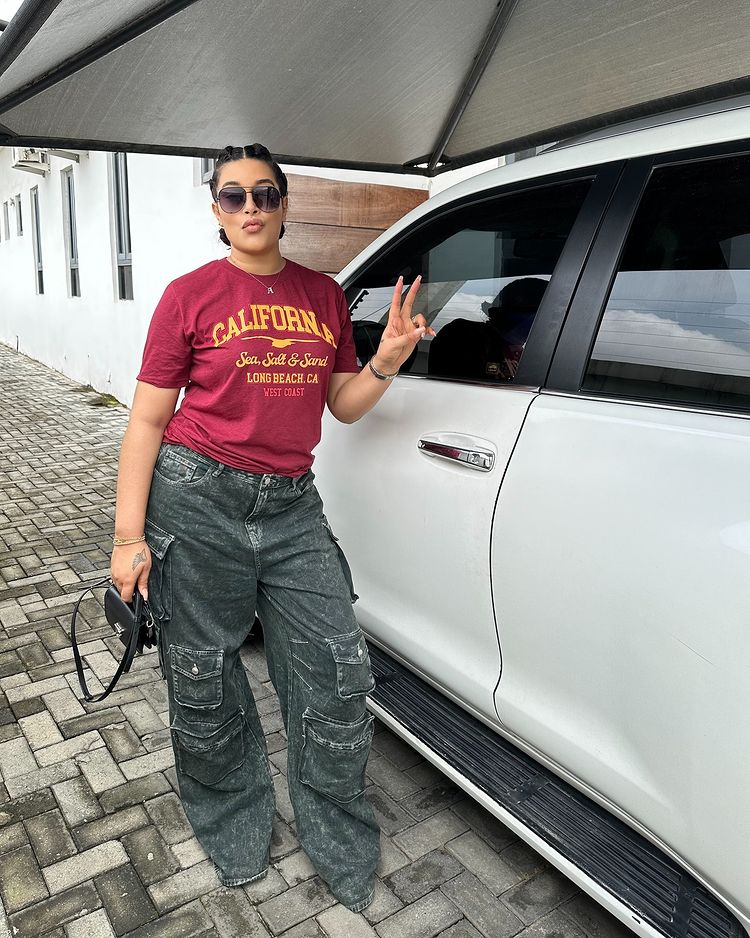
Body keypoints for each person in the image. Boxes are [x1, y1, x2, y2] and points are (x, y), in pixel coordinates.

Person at [110, 144, 434, 912]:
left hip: (291, 507)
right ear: (216, 210)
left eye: (264, 193)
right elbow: (147, 421)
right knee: (204, 674)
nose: (250, 207)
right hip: (196, 499)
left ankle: (336, 831)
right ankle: (234, 822)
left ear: (285, 205)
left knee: (335, 671)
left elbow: (342, 405)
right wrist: (128, 538)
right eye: (234, 196)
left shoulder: (322, 295)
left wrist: (386, 360)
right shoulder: (189, 296)